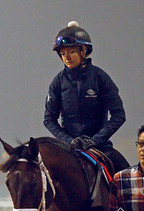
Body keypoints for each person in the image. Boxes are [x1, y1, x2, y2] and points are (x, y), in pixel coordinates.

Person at [44, 21, 129, 172]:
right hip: (69, 148)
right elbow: (49, 119)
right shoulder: (57, 82)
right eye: (62, 53)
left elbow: (119, 115)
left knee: (127, 175)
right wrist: (68, 141)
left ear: (84, 51)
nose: (66, 57)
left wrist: (96, 140)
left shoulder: (100, 77)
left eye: (71, 52)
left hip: (100, 147)